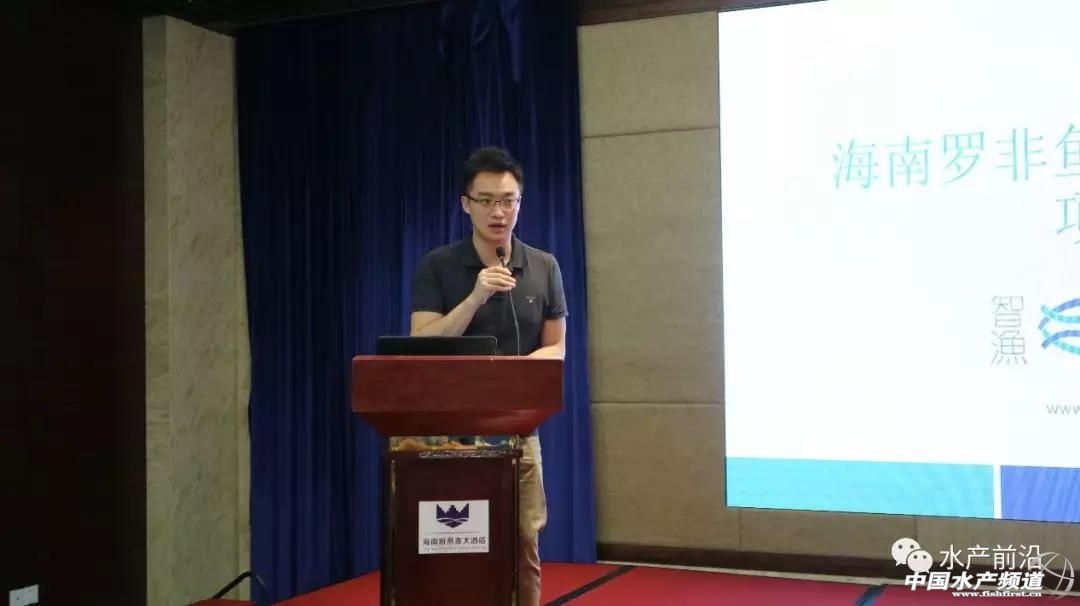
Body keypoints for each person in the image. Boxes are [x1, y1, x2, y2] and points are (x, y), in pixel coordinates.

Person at [410, 147, 567, 606]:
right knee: (453, 545)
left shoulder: (544, 266)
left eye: (508, 200)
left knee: (523, 544)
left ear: (520, 202)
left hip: (518, 431)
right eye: (486, 201)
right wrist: (475, 297)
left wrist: (509, 378)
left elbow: (556, 348)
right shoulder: (437, 265)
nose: (499, 212)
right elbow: (422, 342)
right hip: (447, 435)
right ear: (466, 204)